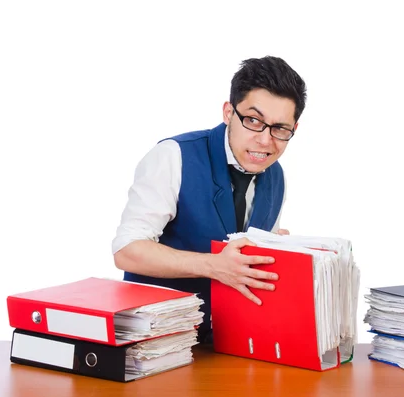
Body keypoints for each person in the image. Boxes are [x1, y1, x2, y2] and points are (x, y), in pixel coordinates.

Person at [112, 55, 307, 343]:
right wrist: (213, 265)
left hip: (229, 342)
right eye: (253, 120)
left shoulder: (276, 176)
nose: (265, 140)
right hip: (153, 341)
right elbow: (127, 250)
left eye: (280, 128)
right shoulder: (173, 156)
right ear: (229, 113)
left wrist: (275, 251)